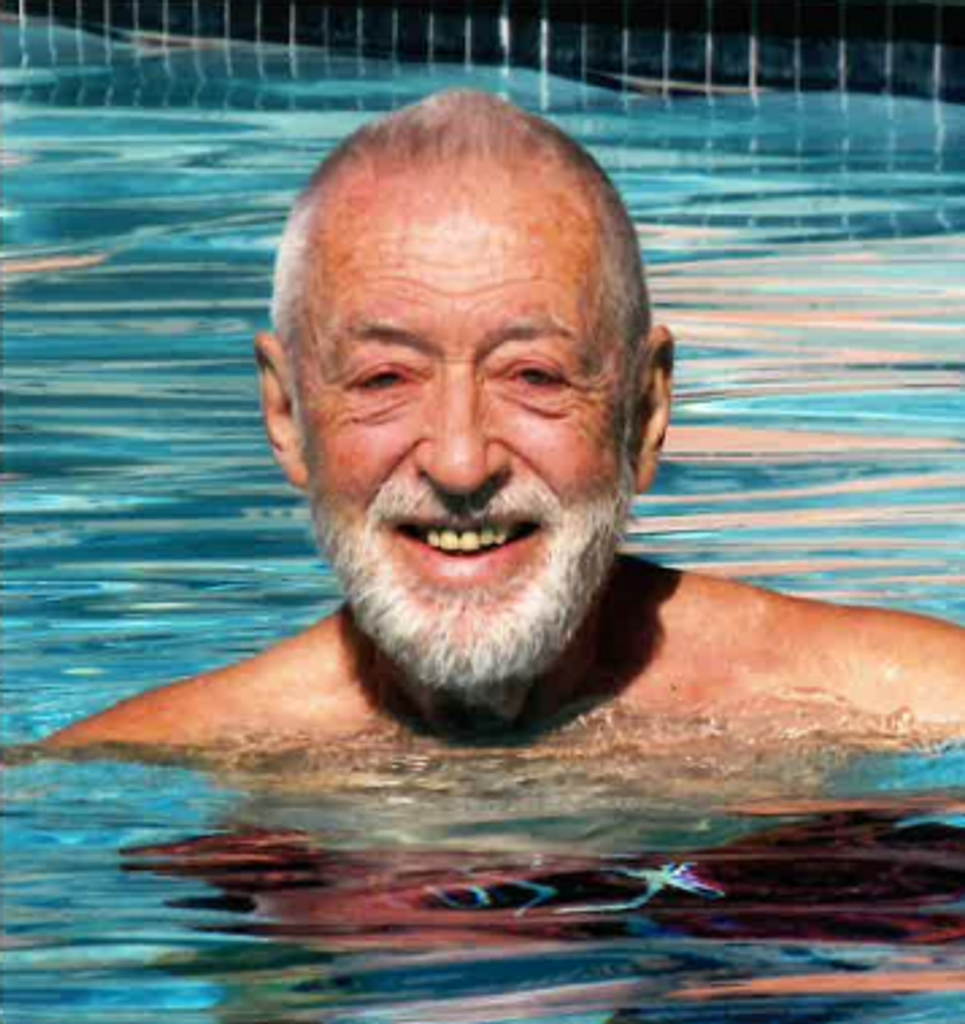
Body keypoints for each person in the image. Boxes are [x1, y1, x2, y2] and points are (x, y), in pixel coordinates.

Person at [45, 90, 965, 752]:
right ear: (286, 416)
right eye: (385, 378)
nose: (458, 462)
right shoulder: (148, 770)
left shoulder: (914, 710)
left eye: (532, 376)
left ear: (644, 413)